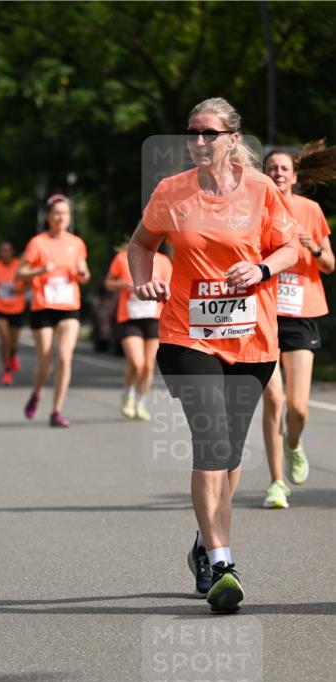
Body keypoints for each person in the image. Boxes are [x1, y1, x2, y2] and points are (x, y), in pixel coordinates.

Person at [128, 96, 298, 613]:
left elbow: (290, 248)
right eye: (192, 133)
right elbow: (141, 244)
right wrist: (144, 281)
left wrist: (261, 270)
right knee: (211, 441)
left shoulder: (262, 190)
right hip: (188, 335)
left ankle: (204, 543)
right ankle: (223, 563)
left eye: (209, 133)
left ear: (233, 140)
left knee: (230, 454)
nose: (198, 142)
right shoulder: (171, 191)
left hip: (252, 338)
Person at [260, 142, 335, 508]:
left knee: (298, 407)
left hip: (302, 313)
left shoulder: (310, 210)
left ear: (294, 175)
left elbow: (330, 265)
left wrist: (313, 247)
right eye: (272, 168)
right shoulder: (255, 210)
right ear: (264, 174)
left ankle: (293, 444)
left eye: (283, 168)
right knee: (274, 399)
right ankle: (276, 482)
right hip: (264, 312)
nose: (278, 173)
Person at [17, 196, 90, 427]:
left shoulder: (76, 243)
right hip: (43, 307)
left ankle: (56, 411)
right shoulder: (37, 243)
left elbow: (85, 276)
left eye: (65, 213)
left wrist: (82, 273)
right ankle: (37, 392)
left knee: (65, 356)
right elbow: (20, 274)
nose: (61, 217)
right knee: (45, 363)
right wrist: (40, 270)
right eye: (57, 213)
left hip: (69, 306)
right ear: (48, 216)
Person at [105, 241, 173, 420]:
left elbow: (171, 287)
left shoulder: (163, 261)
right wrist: (122, 284)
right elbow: (108, 283)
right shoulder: (123, 258)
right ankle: (128, 395)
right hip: (129, 318)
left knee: (148, 366)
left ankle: (140, 402)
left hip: (154, 318)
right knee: (137, 363)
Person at [0, 240, 26, 384]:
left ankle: (12, 357)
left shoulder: (19, 265)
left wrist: (18, 290)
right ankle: (7, 370)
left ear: (12, 252)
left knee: (14, 343)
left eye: (8, 250)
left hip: (17, 308)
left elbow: (30, 284)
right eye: (2, 250)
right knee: (5, 339)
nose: (5, 253)